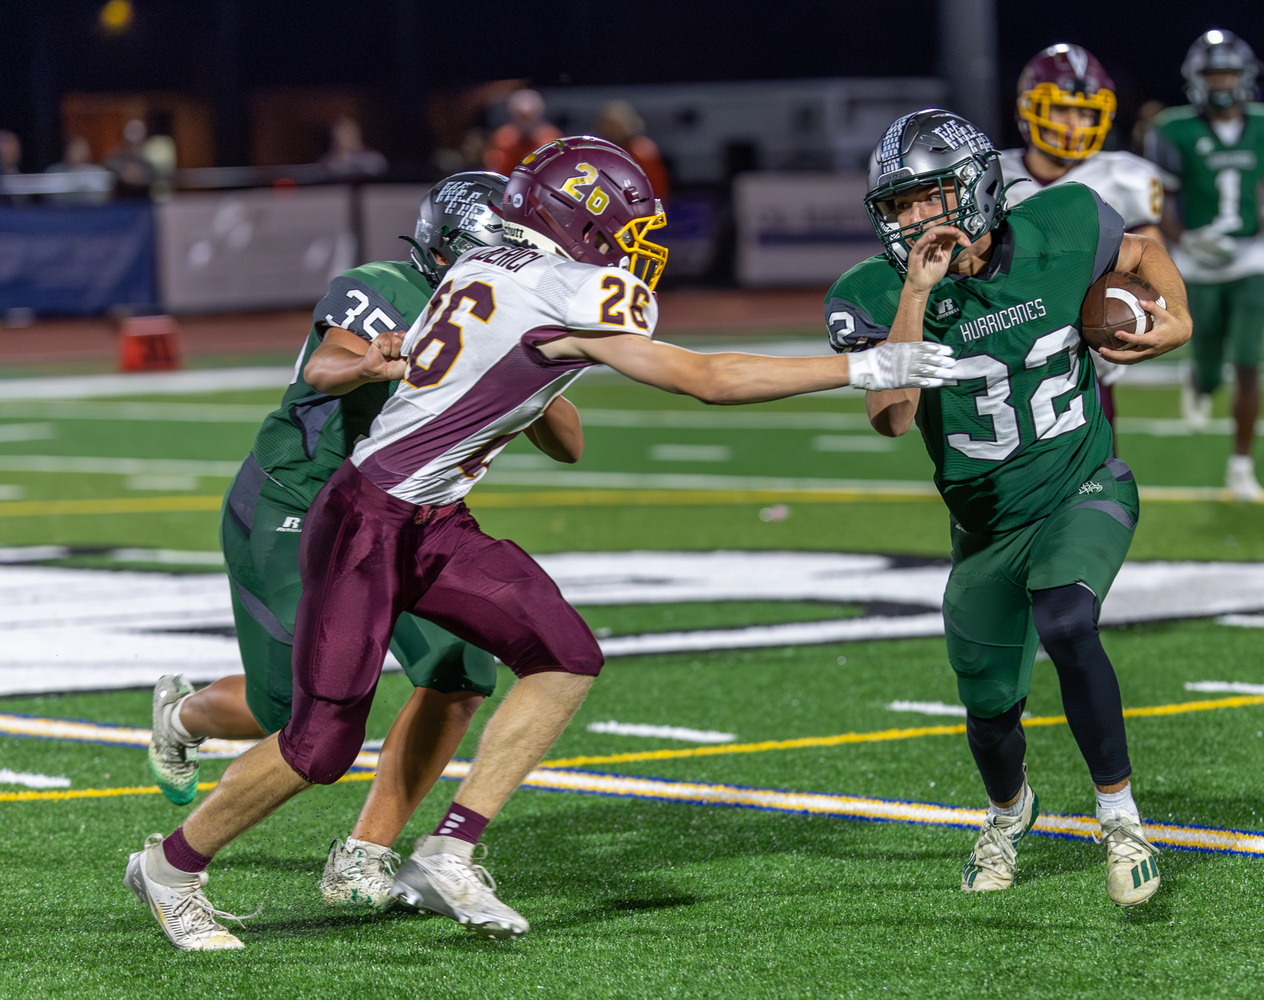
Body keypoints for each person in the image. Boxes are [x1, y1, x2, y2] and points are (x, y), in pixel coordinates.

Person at [124, 136, 955, 951]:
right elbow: (705, 379)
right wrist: (866, 367)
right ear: (578, 222)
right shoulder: (558, 288)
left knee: (564, 654)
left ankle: (448, 850)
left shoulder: (490, 269)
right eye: (628, 229)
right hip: (363, 522)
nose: (637, 249)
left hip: (430, 517)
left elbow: (548, 408)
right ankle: (171, 867)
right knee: (318, 744)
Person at [147, 172, 558, 914]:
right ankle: (183, 714)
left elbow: (569, 444)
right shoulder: (378, 287)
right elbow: (326, 363)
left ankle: (363, 856)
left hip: (403, 517)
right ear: (447, 248)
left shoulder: (510, 312)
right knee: (295, 717)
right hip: (299, 506)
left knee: (460, 672)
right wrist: (372, 362)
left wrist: (544, 366)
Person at [825, 110, 1191, 905]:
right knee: (990, 711)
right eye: (897, 206)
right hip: (987, 524)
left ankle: (1120, 819)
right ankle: (1006, 813)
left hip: (1081, 483)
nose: (912, 220)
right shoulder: (872, 291)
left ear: (980, 188)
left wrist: (1179, 319)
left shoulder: (1062, 222)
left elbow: (1144, 252)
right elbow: (890, 416)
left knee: (1066, 619)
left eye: (928, 198)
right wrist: (918, 294)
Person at [1145, 30, 1264, 500]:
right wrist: (1187, 237)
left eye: (1228, 73)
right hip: (1197, 259)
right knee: (1209, 361)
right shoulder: (1173, 130)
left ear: (1245, 77)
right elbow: (1159, 206)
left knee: (1250, 361)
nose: (1221, 83)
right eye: (1213, 74)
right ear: (1196, 80)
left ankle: (1241, 465)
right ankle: (1200, 381)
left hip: (1252, 255)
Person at [998, 44, 1166, 434]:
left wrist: (1131, 314)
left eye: (1086, 111)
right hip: (1003, 353)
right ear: (1029, 107)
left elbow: (1152, 263)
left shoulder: (1125, 177)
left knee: (1093, 477)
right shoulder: (991, 177)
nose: (1074, 122)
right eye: (1062, 108)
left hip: (1086, 360)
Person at [596, 100, 670, 203]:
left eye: (616, 125)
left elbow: (657, 190)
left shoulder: (643, 152)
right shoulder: (598, 151)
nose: (612, 130)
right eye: (608, 124)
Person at [483, 89, 563, 176]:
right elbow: (497, 168)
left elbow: (557, 170)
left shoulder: (550, 138)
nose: (525, 122)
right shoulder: (503, 138)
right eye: (521, 116)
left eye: (530, 116)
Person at [46, 137, 113, 205]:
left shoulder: (99, 172)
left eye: (82, 150)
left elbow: (103, 197)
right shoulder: (55, 171)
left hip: (92, 212)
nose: (79, 154)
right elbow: (50, 197)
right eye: (75, 150)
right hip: (63, 212)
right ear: (67, 152)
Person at [321, 116, 387, 179]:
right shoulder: (328, 160)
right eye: (340, 133)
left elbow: (377, 170)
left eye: (348, 133)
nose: (344, 137)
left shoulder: (373, 157)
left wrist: (349, 159)